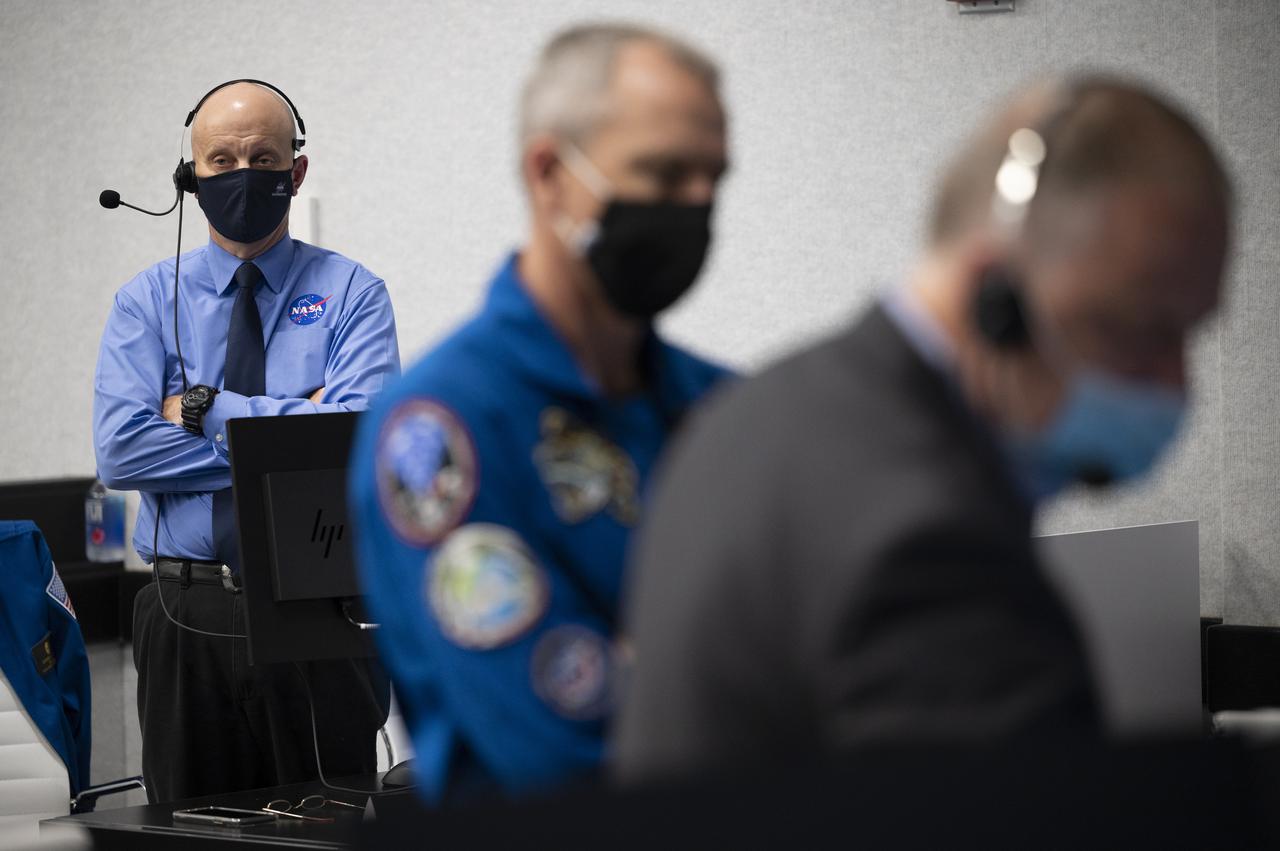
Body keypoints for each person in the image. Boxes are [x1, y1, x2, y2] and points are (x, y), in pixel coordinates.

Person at [613, 75, 1232, 782]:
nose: (1175, 384)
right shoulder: (930, 545)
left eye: (1189, 334)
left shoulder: (745, 416)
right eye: (1140, 328)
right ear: (994, 296)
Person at [349, 23, 732, 802]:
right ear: (551, 173)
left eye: (712, 179)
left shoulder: (719, 405)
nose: (696, 207)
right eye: (664, 174)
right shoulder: (439, 430)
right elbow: (560, 734)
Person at [93, 81, 399, 801]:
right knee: (189, 828)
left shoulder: (354, 293)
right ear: (190, 179)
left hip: (320, 606)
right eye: (221, 158)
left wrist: (204, 405)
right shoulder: (145, 300)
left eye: (262, 156)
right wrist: (291, 425)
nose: (241, 173)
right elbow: (123, 452)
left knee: (335, 822)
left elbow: (359, 440)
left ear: (295, 171)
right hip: (184, 609)